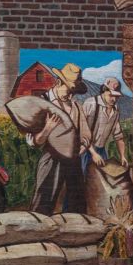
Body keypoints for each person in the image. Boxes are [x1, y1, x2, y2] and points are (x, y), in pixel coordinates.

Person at [27, 63, 95, 214]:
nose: (71, 95)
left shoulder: (76, 107)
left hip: (73, 158)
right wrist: (48, 128)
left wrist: (80, 149)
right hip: (51, 158)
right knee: (43, 201)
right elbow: (34, 141)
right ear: (59, 83)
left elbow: (86, 135)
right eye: (69, 89)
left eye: (74, 91)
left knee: (76, 202)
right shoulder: (43, 103)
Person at [81, 77, 129, 173]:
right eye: (111, 95)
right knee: (84, 178)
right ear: (104, 90)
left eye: (116, 96)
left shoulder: (115, 111)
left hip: (101, 151)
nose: (114, 99)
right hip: (85, 150)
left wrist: (123, 156)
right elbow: (82, 132)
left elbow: (118, 136)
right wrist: (93, 153)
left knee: (104, 178)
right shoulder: (91, 104)